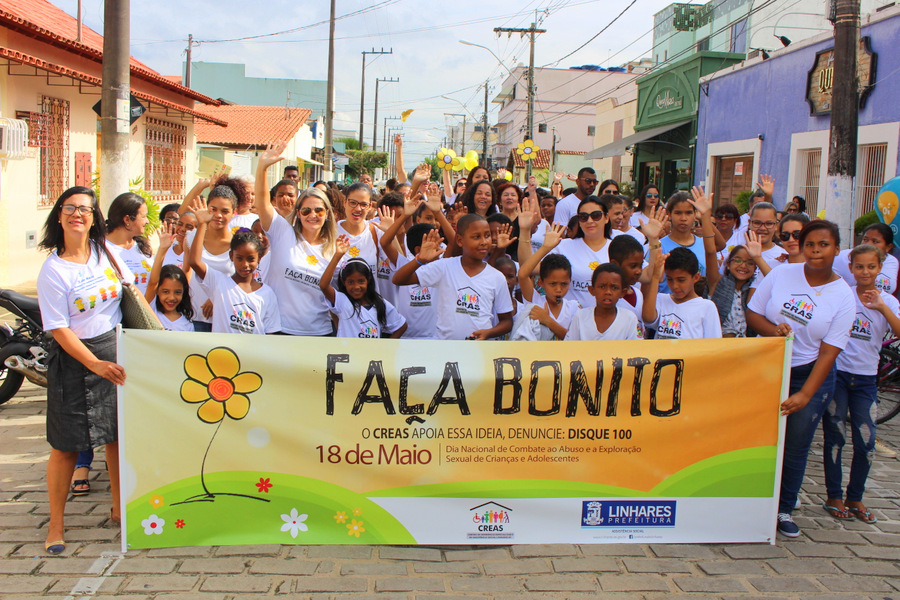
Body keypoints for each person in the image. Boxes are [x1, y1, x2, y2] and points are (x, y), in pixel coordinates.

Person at [36, 186, 146, 554]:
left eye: (85, 209)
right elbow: (59, 329)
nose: (78, 215)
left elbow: (131, 293)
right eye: (70, 208)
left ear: (95, 217)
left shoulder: (106, 252)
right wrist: (93, 362)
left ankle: (119, 508)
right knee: (66, 446)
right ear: (59, 216)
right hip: (75, 361)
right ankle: (55, 524)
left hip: (115, 352)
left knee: (117, 436)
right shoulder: (53, 269)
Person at [746, 219, 855, 537]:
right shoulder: (781, 273)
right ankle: (752, 502)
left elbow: (829, 353)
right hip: (769, 367)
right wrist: (773, 331)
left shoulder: (843, 296)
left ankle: (784, 509)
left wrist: (805, 395)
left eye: (824, 245)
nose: (816, 251)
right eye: (810, 244)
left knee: (795, 445)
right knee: (759, 439)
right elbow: (754, 312)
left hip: (811, 373)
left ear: (836, 248)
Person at [822, 244, 900, 524]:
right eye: (859, 266)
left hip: (867, 380)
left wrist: (880, 307)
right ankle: (833, 495)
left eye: (871, 266)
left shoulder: (888, 301)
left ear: (879, 268)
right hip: (838, 374)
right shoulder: (843, 295)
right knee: (835, 437)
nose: (865, 272)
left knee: (866, 441)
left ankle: (855, 496)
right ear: (851, 268)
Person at [254, 141, 337, 336]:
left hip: (319, 332)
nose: (313, 215)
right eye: (306, 210)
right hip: (279, 329)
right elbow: (262, 203)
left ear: (327, 214)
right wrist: (262, 168)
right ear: (298, 213)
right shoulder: (283, 233)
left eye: (319, 210)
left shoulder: (335, 249)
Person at [393, 215, 513, 340]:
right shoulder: (444, 267)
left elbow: (507, 322)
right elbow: (398, 280)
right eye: (476, 237)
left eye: (487, 236)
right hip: (445, 349)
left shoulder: (497, 277)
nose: (483, 242)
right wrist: (419, 260)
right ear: (460, 240)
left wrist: (488, 333)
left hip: (479, 349)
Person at [187, 198, 281, 335]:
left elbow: (271, 332)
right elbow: (194, 262)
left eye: (251, 259)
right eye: (239, 258)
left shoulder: (267, 294)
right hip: (222, 355)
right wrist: (202, 225)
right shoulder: (219, 283)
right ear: (231, 256)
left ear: (259, 259)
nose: (245, 264)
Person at [319, 235, 407, 339]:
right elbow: (323, 285)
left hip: (371, 355)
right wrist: (338, 255)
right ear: (343, 282)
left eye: (361, 281)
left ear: (368, 280)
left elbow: (401, 326)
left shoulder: (380, 303)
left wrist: (386, 347)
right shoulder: (342, 301)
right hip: (348, 354)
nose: (356, 287)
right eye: (351, 282)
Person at [184, 184, 237, 331]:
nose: (218, 215)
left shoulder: (238, 244)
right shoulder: (191, 237)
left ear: (234, 213)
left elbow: (240, 279)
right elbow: (187, 270)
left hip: (226, 316)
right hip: (195, 316)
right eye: (213, 209)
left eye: (225, 211)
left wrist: (215, 298)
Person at [515, 223, 579, 340]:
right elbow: (523, 274)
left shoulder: (574, 307)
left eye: (564, 284)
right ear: (541, 282)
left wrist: (547, 320)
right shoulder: (535, 300)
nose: (559, 289)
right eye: (553, 284)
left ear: (570, 281)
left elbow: (575, 339)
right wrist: (545, 248)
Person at [643, 248, 722, 339]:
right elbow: (647, 318)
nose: (675, 286)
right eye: (669, 279)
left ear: (696, 277)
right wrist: (655, 277)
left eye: (681, 280)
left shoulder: (707, 307)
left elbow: (713, 344)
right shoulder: (661, 299)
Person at [565, 263, 640, 341]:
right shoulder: (580, 317)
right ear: (592, 290)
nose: (608, 292)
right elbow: (570, 348)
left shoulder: (629, 318)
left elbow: (635, 350)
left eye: (614, 287)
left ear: (622, 293)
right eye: (602, 287)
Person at [144, 224, 194, 332]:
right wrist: (163, 249)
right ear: (157, 291)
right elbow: (153, 282)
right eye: (165, 291)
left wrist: (187, 251)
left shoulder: (187, 323)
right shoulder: (151, 311)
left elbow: (187, 271)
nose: (171, 298)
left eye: (177, 292)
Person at [105, 192, 152, 295]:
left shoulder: (142, 246)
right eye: (143, 216)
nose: (147, 221)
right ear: (127, 219)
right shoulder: (102, 250)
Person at [833, 223, 899, 295]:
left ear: (888, 247)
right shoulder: (841, 257)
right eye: (865, 239)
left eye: (875, 241)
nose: (868, 244)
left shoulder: (892, 262)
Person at [707, 245, 757, 337]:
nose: (743, 265)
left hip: (747, 346)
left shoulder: (755, 291)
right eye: (738, 260)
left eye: (750, 263)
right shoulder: (717, 282)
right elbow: (710, 252)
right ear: (728, 264)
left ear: (755, 269)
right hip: (719, 346)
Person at [608, 233, 650, 338]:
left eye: (641, 265)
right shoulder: (607, 298)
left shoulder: (638, 293)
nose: (639, 271)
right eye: (633, 266)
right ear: (615, 264)